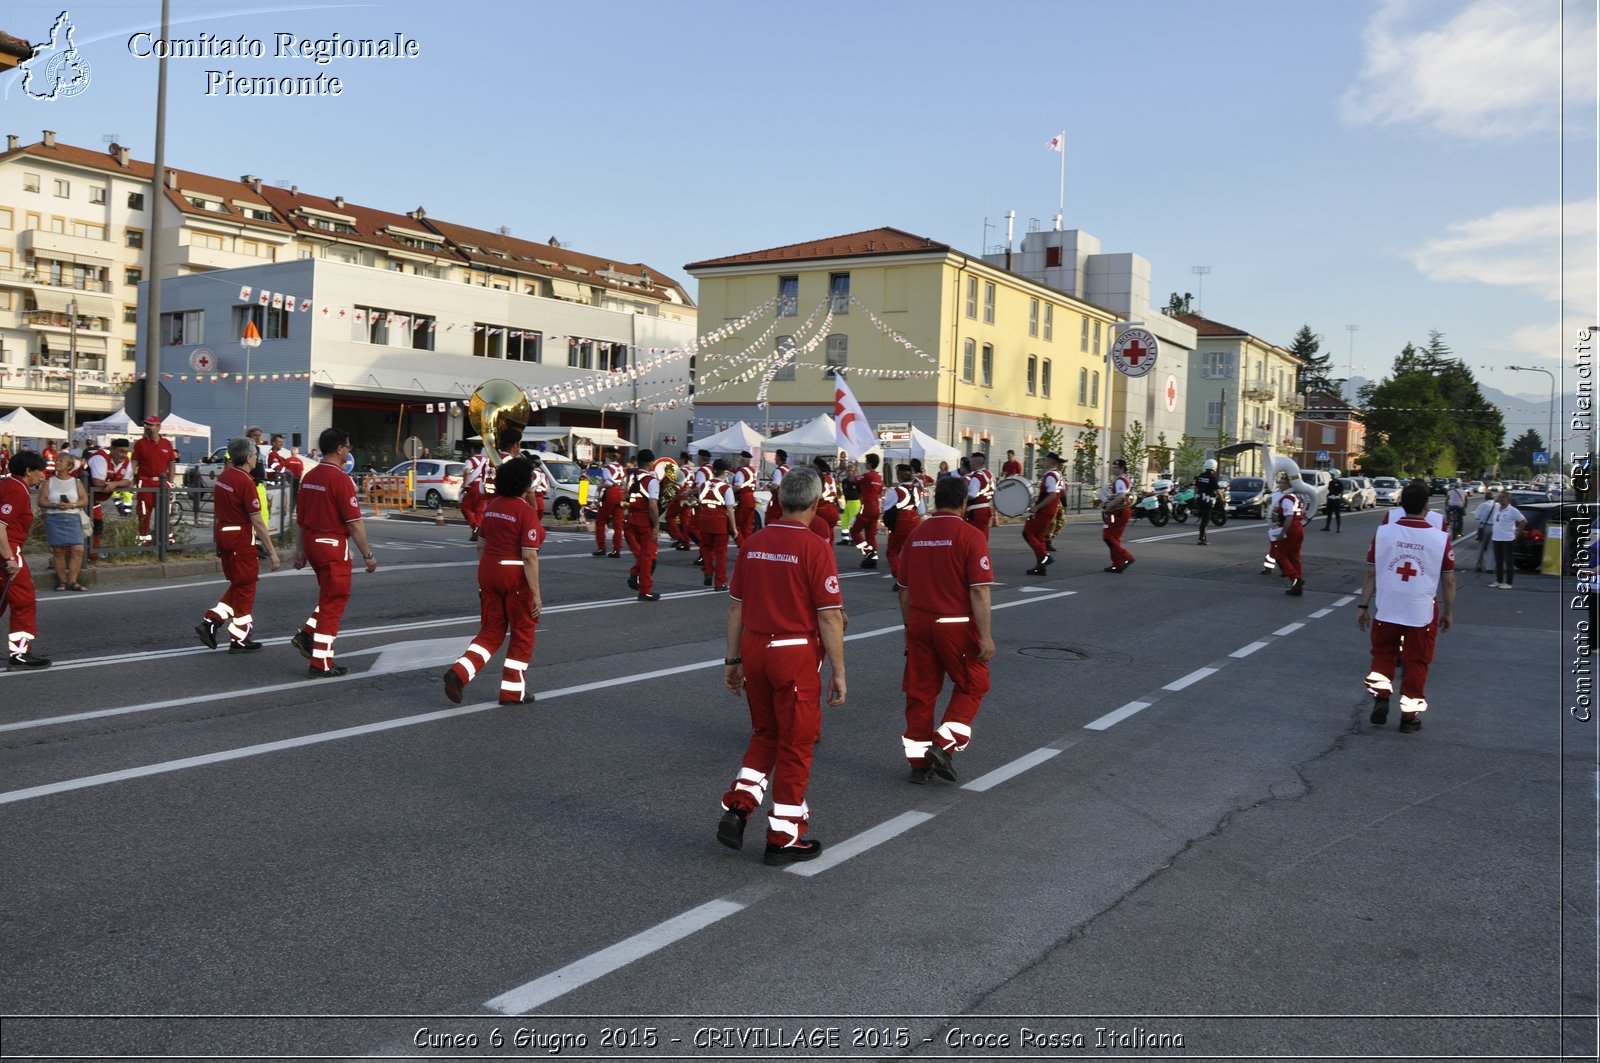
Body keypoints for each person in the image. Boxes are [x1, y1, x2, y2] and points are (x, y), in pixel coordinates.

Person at [716, 466, 846, 866]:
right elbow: (828, 615)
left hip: (755, 645)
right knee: (796, 743)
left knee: (765, 733)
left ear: (780, 498)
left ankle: (739, 805)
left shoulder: (755, 541)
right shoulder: (815, 546)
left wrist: (733, 659)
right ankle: (784, 836)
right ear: (816, 502)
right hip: (793, 653)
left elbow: (735, 607)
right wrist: (839, 671)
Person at [897, 474, 996, 783]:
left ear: (936, 500)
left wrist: (908, 626)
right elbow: (979, 590)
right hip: (955, 624)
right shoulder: (970, 535)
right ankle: (943, 743)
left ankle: (917, 764)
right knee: (974, 684)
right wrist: (986, 636)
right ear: (964, 503)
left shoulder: (916, 535)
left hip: (920, 622)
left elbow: (903, 588)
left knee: (920, 690)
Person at [443, 455, 544, 706]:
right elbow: (529, 556)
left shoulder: (494, 506)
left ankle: (459, 672)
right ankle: (512, 691)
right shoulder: (525, 511)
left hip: (488, 572)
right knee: (522, 633)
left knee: (490, 631)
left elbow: (481, 544)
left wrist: (486, 572)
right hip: (515, 576)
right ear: (525, 484)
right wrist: (537, 593)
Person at [1357, 480, 1456, 733]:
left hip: (1388, 606)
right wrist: (1448, 612)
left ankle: (1381, 697)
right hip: (1421, 610)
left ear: (1401, 504)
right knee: (1417, 661)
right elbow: (1449, 579)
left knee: (1383, 653)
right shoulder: (1440, 538)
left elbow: (1371, 573)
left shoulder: (1383, 533)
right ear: (1426, 506)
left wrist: (1363, 605)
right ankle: (1409, 717)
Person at [290, 428, 378, 678]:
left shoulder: (310, 477)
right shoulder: (340, 480)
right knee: (334, 602)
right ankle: (321, 662)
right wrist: (368, 555)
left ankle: (308, 634)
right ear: (339, 449)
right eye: (347, 447)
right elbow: (354, 522)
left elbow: (300, 519)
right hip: (332, 546)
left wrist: (300, 551)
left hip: (312, 543)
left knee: (328, 596)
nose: (348, 451)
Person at [196, 437, 281, 652]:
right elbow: (258, 522)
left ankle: (218, 625)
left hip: (224, 534)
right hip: (240, 538)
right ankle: (232, 633)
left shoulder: (225, 476)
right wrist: (272, 552)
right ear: (248, 457)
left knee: (240, 584)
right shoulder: (245, 481)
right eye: (254, 455)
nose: (256, 459)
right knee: (246, 587)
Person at [2, 451, 51, 668]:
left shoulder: (7, 484)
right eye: (40, 472)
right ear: (28, 471)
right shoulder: (16, 489)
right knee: (24, 601)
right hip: (8, 550)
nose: (43, 477)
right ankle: (20, 652)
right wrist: (9, 558)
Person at [39, 452, 88, 592]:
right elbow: (41, 501)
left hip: (72, 517)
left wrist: (72, 505)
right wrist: (54, 505)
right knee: (58, 551)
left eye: (61, 461)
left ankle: (73, 581)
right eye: (57, 460)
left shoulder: (76, 482)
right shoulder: (50, 482)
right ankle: (62, 581)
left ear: (69, 465)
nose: (57, 462)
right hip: (55, 517)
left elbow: (85, 500)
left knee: (78, 549)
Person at [130, 415, 177, 544]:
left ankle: (166, 542)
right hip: (145, 481)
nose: (147, 427)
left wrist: (170, 481)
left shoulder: (166, 443)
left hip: (162, 483)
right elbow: (134, 462)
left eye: (150, 425)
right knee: (144, 512)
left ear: (158, 427)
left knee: (166, 512)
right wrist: (130, 478)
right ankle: (144, 542)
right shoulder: (140, 444)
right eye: (146, 424)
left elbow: (172, 462)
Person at [624, 448, 663, 602]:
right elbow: (653, 505)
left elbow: (627, 497)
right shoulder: (651, 481)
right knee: (648, 556)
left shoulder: (631, 478)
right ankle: (645, 590)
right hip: (645, 521)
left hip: (631, 519)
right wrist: (657, 525)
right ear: (650, 463)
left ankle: (635, 575)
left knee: (642, 555)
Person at [697, 458, 738, 590]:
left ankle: (708, 570)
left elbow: (700, 502)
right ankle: (720, 582)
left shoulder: (703, 485)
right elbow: (730, 508)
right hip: (719, 520)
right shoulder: (726, 488)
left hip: (704, 519)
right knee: (721, 553)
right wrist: (734, 528)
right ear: (724, 472)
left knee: (706, 548)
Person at [1023, 452, 1064, 575]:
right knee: (1039, 537)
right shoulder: (1058, 475)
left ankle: (1045, 557)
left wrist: (1037, 507)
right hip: (1050, 509)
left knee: (1027, 532)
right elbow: (1060, 493)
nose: (1043, 462)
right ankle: (1040, 567)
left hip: (1044, 510)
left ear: (1052, 462)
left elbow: (1052, 495)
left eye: (1045, 460)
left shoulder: (1051, 476)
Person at [884, 463, 923, 585]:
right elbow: (922, 510)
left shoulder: (895, 491)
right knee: (911, 550)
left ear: (898, 476)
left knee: (893, 551)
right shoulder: (917, 490)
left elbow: (887, 508)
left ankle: (900, 578)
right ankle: (914, 576)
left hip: (901, 520)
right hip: (915, 519)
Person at [1272, 471, 1306, 595]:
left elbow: (1289, 516)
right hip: (1299, 527)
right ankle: (1297, 588)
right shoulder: (1298, 496)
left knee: (1280, 555)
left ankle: (1296, 579)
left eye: (1281, 482)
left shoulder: (1287, 498)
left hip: (1291, 528)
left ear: (1288, 484)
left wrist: (1283, 533)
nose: (1279, 485)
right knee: (1294, 557)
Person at [1487, 490, 1527, 589]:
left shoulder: (1512, 510)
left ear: (1508, 499)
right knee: (1498, 560)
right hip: (1496, 538)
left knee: (1508, 561)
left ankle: (1509, 583)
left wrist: (1517, 532)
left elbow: (1523, 521)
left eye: (1503, 497)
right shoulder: (1497, 509)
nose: (1500, 499)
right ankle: (1499, 580)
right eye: (1499, 497)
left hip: (1507, 539)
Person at [850, 452, 884, 567]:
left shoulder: (867, 476)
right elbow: (879, 492)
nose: (865, 463)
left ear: (869, 463)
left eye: (866, 461)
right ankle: (873, 558)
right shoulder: (879, 478)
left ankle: (868, 553)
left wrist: (853, 469)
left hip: (866, 506)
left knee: (854, 531)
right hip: (876, 506)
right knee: (870, 534)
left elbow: (853, 479)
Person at [592, 446, 626, 557]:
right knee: (617, 524)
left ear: (608, 455)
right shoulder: (621, 467)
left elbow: (608, 483)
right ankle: (617, 549)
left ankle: (602, 547)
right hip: (621, 494)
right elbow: (624, 482)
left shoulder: (607, 467)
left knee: (601, 521)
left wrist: (599, 486)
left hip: (611, 494)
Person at [1102, 459, 1135, 573]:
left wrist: (1109, 505)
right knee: (1113, 538)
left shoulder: (1120, 481)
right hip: (1120, 511)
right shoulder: (1122, 479)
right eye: (1113, 467)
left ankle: (1126, 557)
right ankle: (1117, 564)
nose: (1113, 469)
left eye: (1116, 467)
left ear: (1122, 468)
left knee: (1108, 537)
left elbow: (1121, 496)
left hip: (1118, 511)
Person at [964, 452, 995, 538]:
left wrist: (962, 498)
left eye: (971, 462)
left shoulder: (976, 477)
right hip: (987, 508)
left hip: (976, 511)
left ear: (975, 463)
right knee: (984, 535)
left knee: (974, 536)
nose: (970, 464)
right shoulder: (989, 474)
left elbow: (972, 495)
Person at [731, 451, 760, 543]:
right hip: (751, 498)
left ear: (742, 459)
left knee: (736, 526)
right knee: (747, 527)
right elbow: (756, 486)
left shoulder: (741, 471)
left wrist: (728, 489)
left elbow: (737, 487)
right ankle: (746, 549)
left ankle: (741, 546)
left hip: (743, 499)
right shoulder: (753, 470)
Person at [1193, 458, 1222, 546]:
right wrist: (1222, 499)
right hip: (1208, 501)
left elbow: (1196, 488)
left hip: (1200, 499)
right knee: (1205, 521)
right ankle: (1201, 539)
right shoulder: (1213, 478)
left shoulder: (1201, 475)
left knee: (1203, 520)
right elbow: (1218, 490)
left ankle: (1202, 538)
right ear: (1214, 467)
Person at [813, 456, 840, 541]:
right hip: (833, 509)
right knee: (829, 537)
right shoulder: (831, 478)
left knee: (818, 537)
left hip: (822, 509)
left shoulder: (818, 478)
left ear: (817, 467)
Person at [838, 461, 862, 544]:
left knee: (853, 521)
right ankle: (845, 538)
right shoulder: (844, 481)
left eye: (851, 470)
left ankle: (853, 538)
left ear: (855, 470)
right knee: (844, 521)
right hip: (846, 502)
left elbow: (861, 492)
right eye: (848, 470)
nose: (850, 472)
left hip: (855, 502)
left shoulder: (857, 481)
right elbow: (841, 492)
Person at [1471, 493, 1497, 573]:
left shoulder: (1483, 505)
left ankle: (1478, 565)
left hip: (1484, 526)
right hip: (1495, 527)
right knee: (1491, 547)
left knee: (1481, 547)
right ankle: (1490, 568)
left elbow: (1477, 516)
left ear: (1485, 498)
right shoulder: (1498, 505)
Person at [766, 448, 791, 521]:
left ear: (779, 457)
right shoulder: (788, 468)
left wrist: (769, 486)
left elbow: (775, 486)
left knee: (772, 519)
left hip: (778, 499)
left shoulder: (779, 470)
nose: (774, 459)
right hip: (786, 498)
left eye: (776, 456)